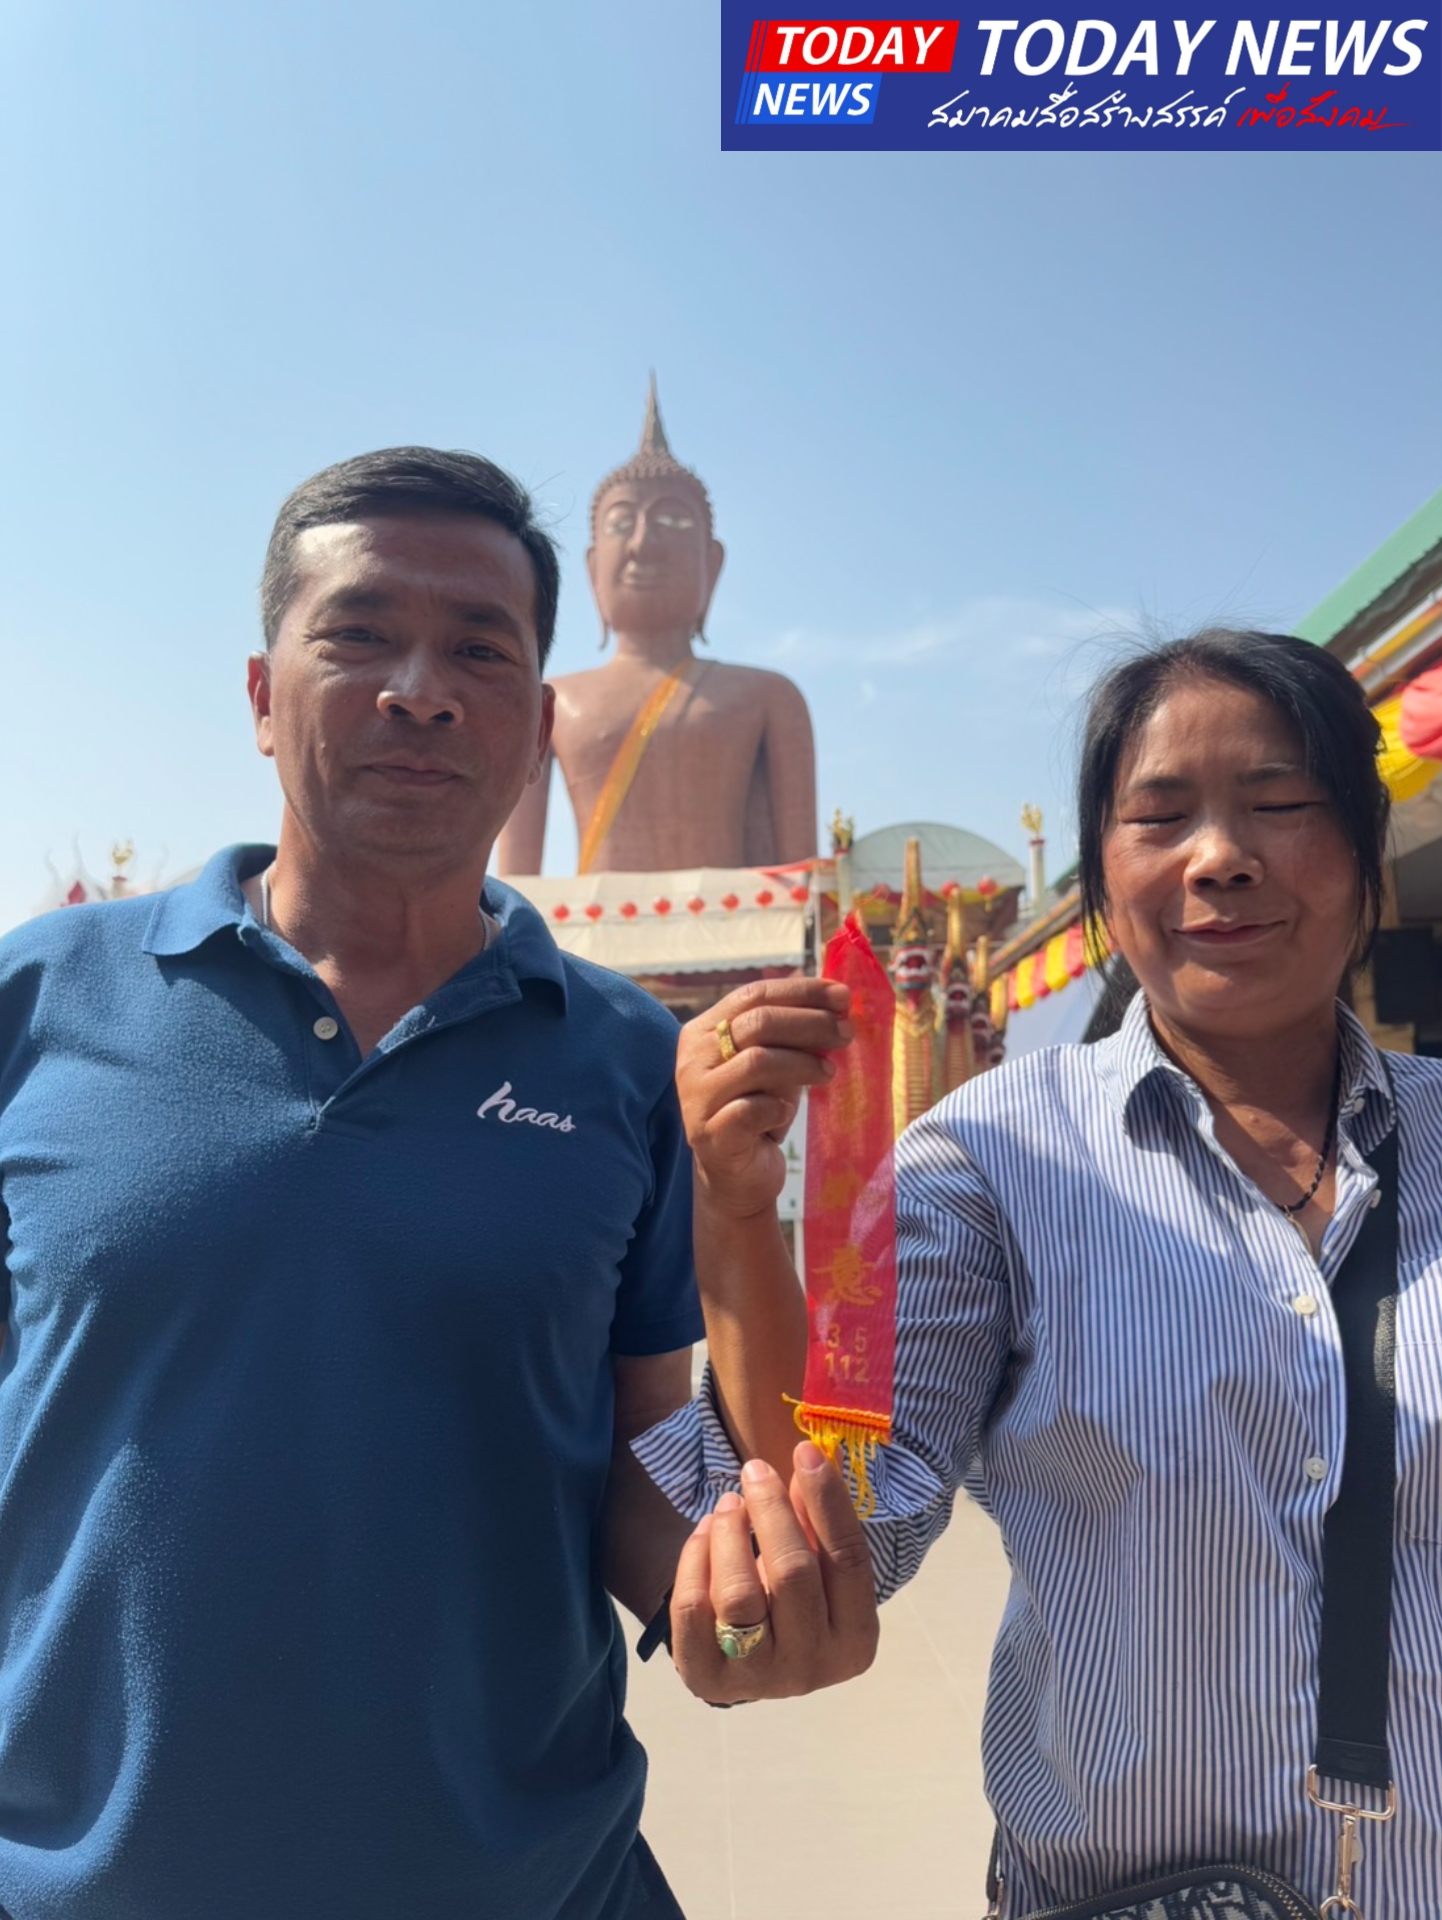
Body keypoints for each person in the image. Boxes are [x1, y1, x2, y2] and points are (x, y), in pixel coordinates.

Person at [0, 445, 843, 1920]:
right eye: (360, 635)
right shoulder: (40, 1004)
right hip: (89, 1879)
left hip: (531, 1880)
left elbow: (631, 1448)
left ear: (538, 724)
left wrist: (725, 1598)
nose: (419, 690)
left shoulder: (628, 1061)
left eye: (479, 650)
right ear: (260, 694)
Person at [651, 629, 1442, 1915]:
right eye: (1158, 816)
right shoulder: (987, 1161)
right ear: (1102, 883)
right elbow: (852, 1516)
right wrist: (735, 1217)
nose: (1218, 856)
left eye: (1279, 803)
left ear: (1361, 851)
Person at [494, 380, 817, 875]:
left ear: (713, 563)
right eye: (621, 524)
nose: (643, 544)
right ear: (592, 568)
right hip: (591, 923)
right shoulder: (548, 702)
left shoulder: (769, 697)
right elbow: (516, 887)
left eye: (674, 523)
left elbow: (804, 881)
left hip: (738, 924)